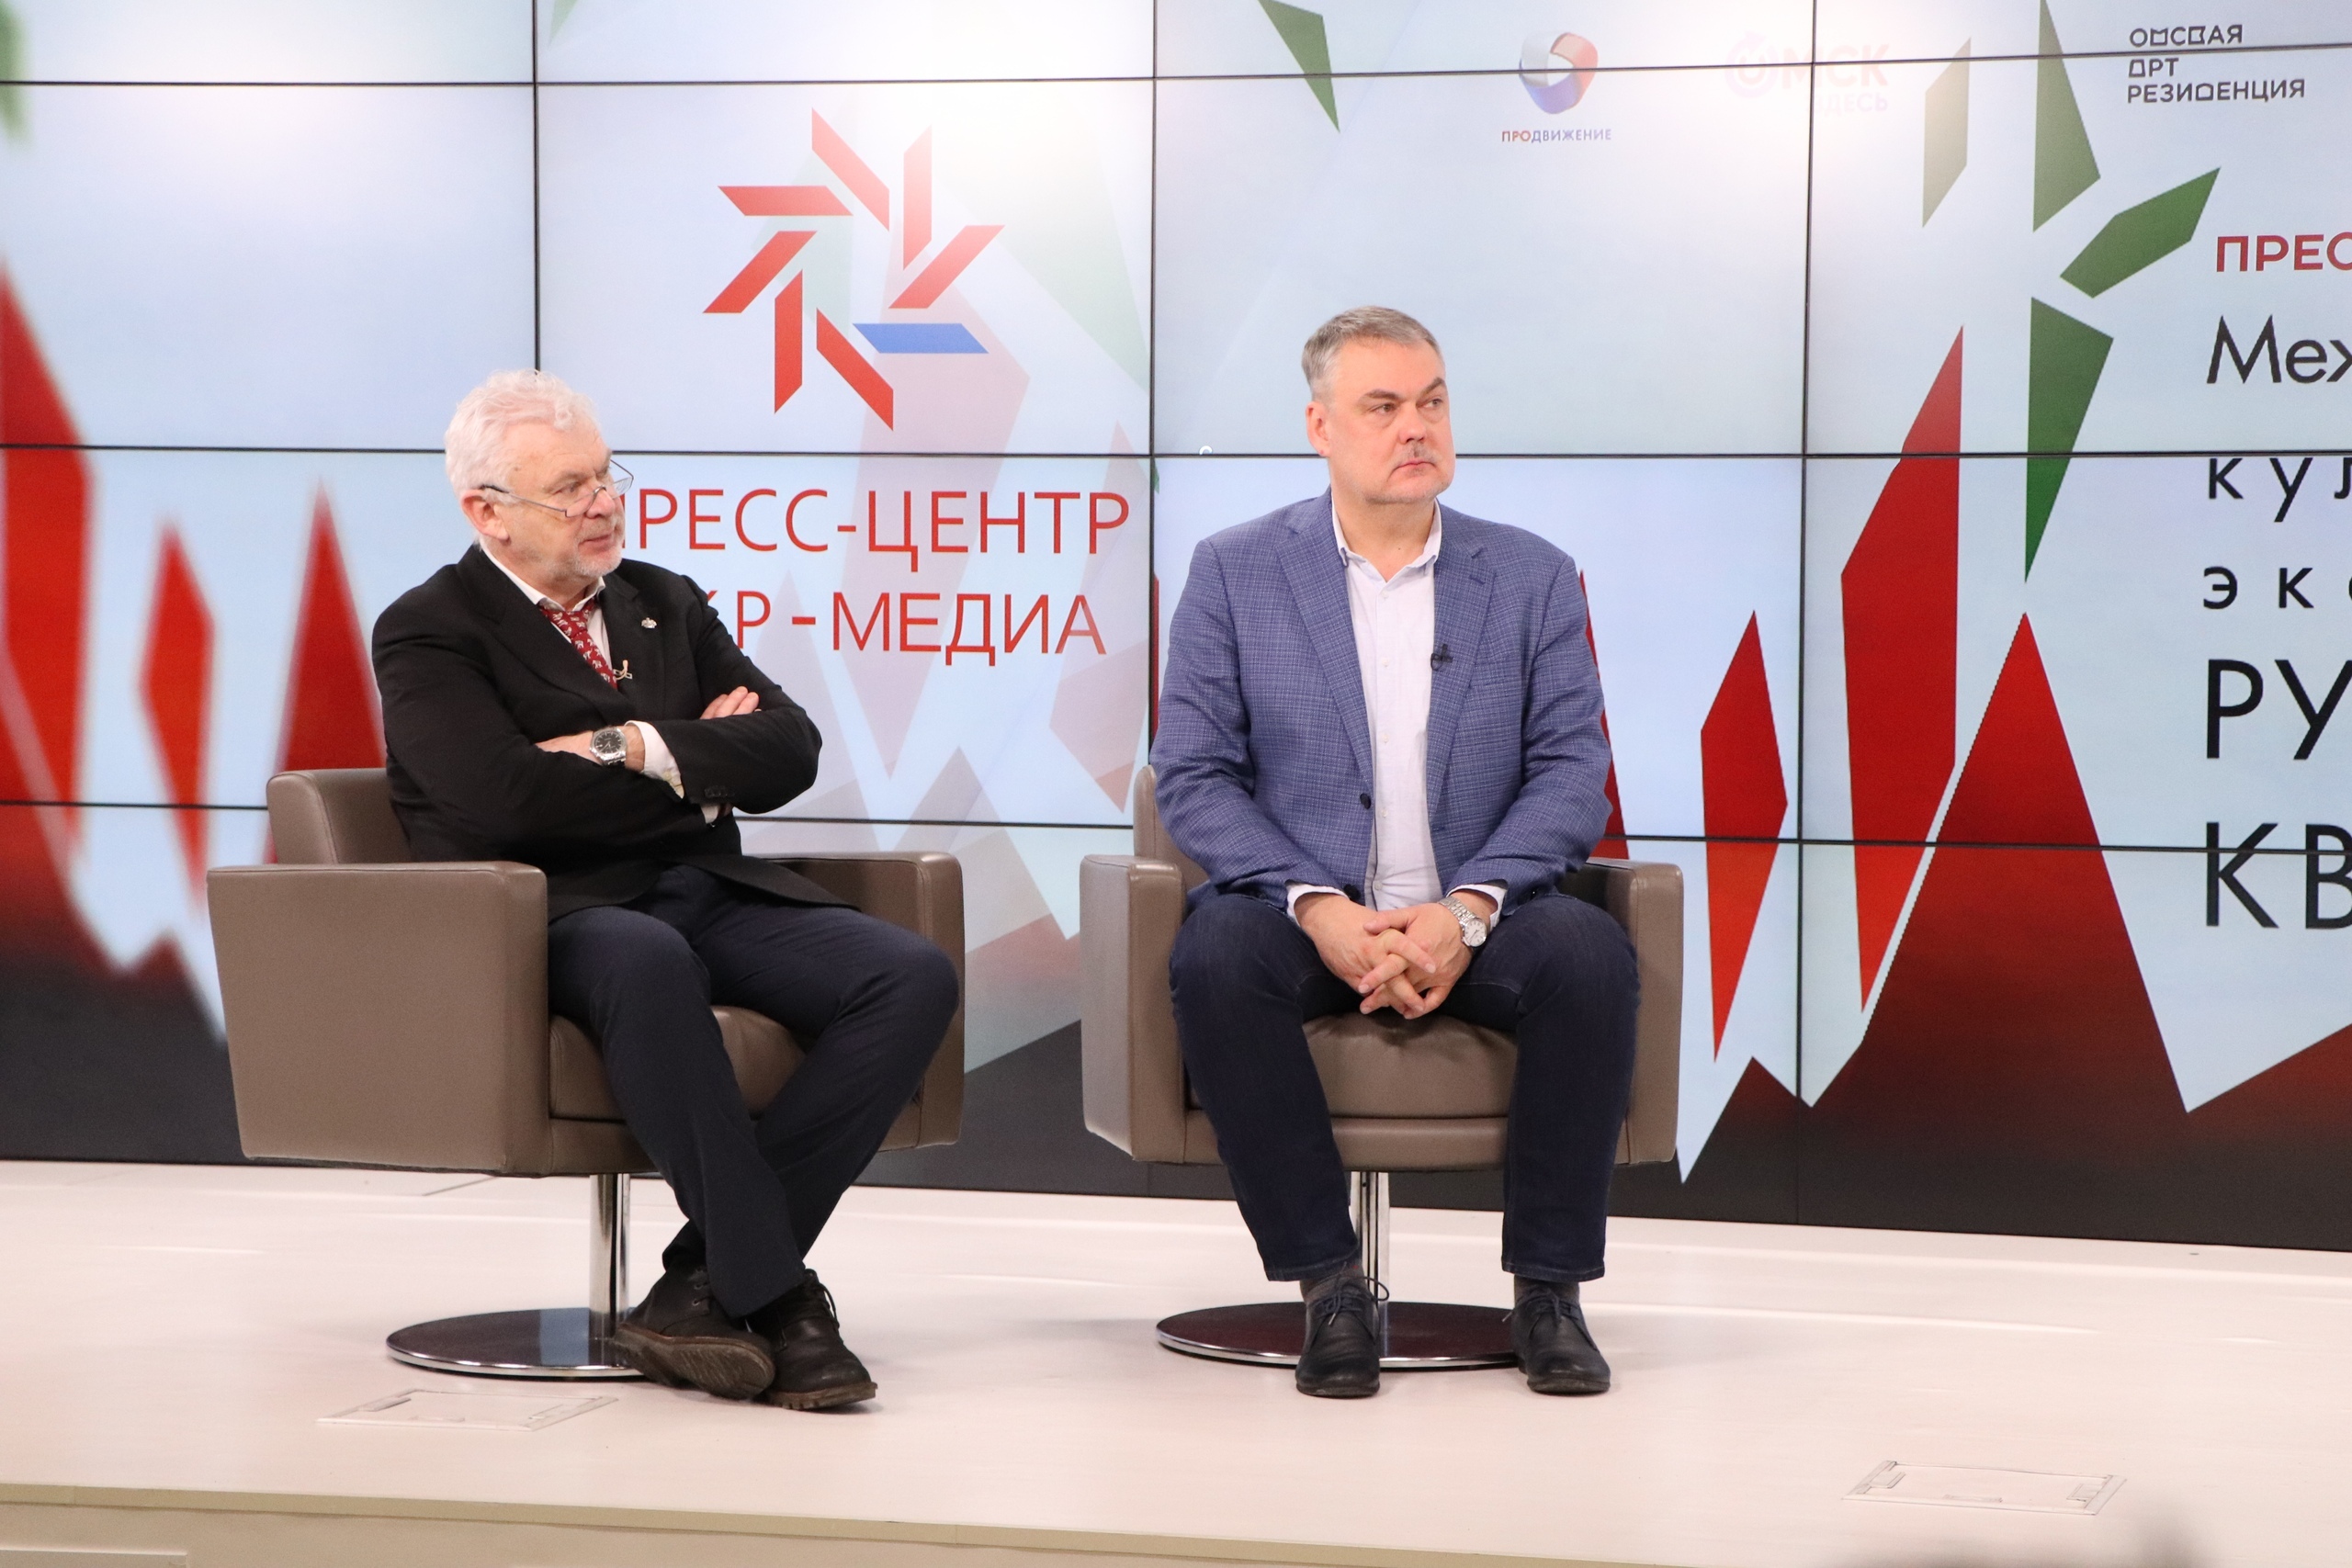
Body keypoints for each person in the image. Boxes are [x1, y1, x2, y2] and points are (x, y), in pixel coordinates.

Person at [373, 369, 958, 1410]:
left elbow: (789, 751)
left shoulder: (663, 601)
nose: (603, 503)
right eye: (569, 488)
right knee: (648, 957)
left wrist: (636, 745)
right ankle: (781, 1299)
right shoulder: (430, 628)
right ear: (488, 513)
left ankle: (698, 1284)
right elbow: (499, 802)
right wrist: (696, 771)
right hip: (553, 910)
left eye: (607, 476)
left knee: (907, 975)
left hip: (703, 883)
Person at [1152, 308, 1639, 1399]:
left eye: (1432, 402)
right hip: (1297, 912)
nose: (1415, 427)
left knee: (1588, 955)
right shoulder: (1234, 571)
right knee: (1215, 956)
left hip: (1481, 912)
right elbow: (1192, 773)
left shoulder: (1531, 576)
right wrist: (1316, 905)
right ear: (1320, 427)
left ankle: (1549, 1294)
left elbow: (1572, 774)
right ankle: (1330, 1288)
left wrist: (1466, 911)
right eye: (1382, 406)